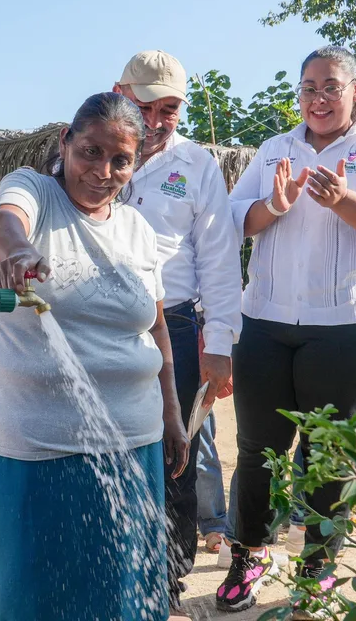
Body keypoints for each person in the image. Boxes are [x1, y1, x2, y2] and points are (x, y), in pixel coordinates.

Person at [217, 46, 356, 614]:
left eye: (330, 86)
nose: (317, 98)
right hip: (264, 318)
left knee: (326, 452)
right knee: (258, 445)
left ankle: (318, 566)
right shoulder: (274, 150)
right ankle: (252, 555)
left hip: (350, 325)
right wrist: (274, 203)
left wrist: (346, 201)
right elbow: (233, 219)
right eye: (308, 87)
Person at [0, 92, 190, 620]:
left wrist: (172, 414)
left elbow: (157, 326)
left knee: (122, 599)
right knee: (39, 598)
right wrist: (20, 252)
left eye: (120, 160)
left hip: (134, 445)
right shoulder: (35, 192)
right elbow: (5, 222)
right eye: (90, 152)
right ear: (64, 143)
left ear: (135, 162)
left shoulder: (138, 230)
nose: (103, 171)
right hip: (37, 451)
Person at [112, 50, 242, 605]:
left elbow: (219, 257)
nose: (160, 121)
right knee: (110, 449)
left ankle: (167, 580)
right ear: (121, 93)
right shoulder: (91, 151)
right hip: (103, 326)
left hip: (180, 327)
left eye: (171, 109)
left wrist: (221, 346)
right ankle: (117, 567)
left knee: (177, 453)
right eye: (148, 106)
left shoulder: (197, 165)